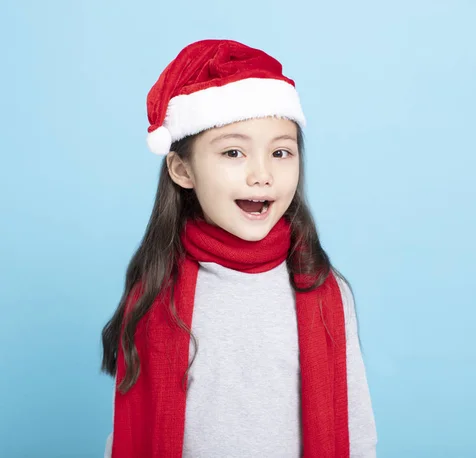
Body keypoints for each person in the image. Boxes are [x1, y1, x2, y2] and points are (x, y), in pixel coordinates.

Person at [101, 38, 377, 458]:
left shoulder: (323, 288)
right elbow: (131, 433)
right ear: (182, 169)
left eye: (281, 152)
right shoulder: (158, 294)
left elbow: (356, 431)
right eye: (234, 152)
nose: (262, 174)